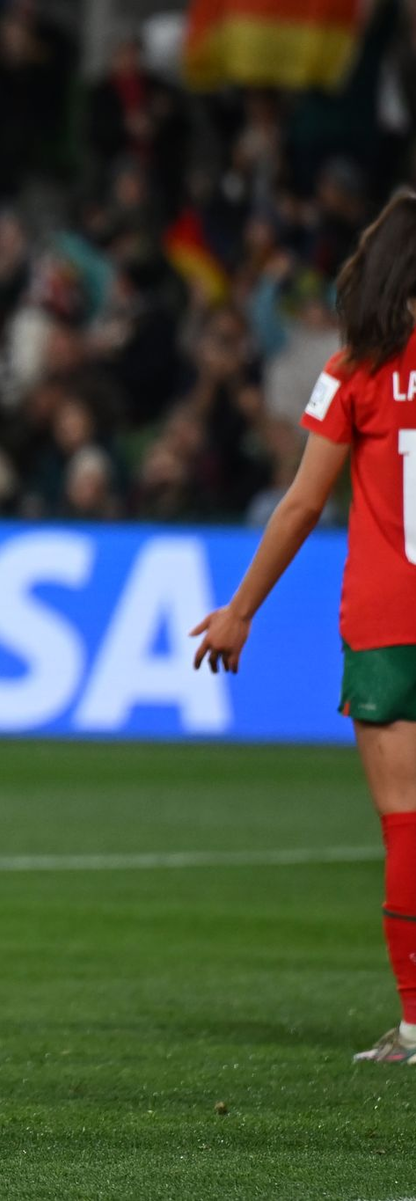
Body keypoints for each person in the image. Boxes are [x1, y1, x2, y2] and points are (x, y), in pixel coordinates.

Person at [192, 190, 416, 1065]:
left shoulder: (355, 369)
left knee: (406, 826)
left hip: (386, 619)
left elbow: (300, 502)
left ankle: (413, 1024)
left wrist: (240, 610)